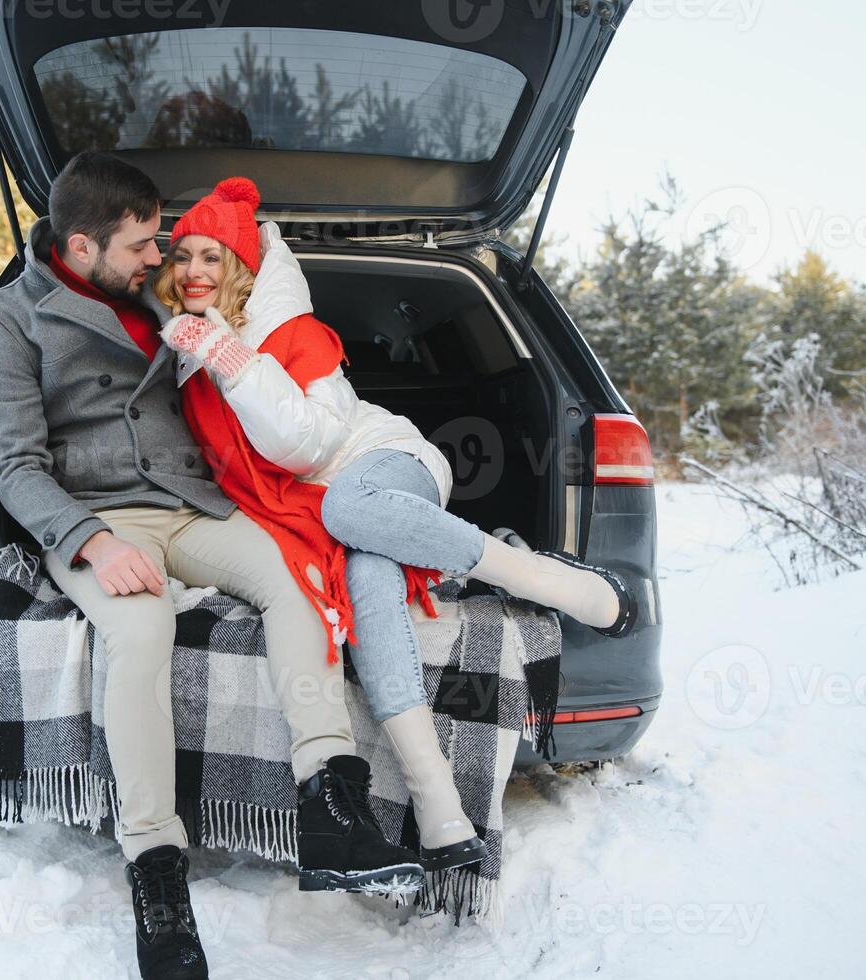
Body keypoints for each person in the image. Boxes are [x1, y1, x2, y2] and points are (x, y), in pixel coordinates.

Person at [0, 153, 423, 980]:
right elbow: (14, 464)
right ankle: (155, 869)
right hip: (101, 518)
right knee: (138, 636)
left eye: (164, 243)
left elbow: (260, 283)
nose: (162, 259)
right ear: (81, 245)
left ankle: (329, 795)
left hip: (195, 503)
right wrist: (92, 544)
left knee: (296, 578)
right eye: (145, 244)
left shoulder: (152, 292)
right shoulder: (8, 320)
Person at [153, 176, 638, 875]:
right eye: (183, 256)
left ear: (240, 270)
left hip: (384, 463)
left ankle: (554, 582)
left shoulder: (289, 333)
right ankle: (438, 805)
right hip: (326, 513)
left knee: (352, 508)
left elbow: (305, 446)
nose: (194, 271)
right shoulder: (185, 356)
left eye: (211, 258)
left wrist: (232, 359)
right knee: (367, 581)